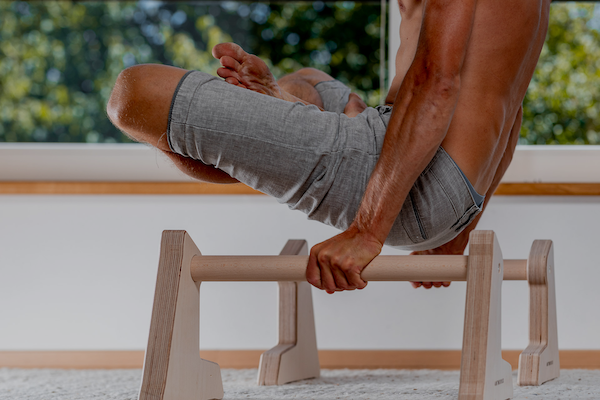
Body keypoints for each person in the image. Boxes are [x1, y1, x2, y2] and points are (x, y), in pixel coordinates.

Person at [107, 0, 551, 293]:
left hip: (416, 181)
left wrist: (367, 232)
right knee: (307, 83)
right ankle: (283, 113)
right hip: (452, 189)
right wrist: (458, 233)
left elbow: (435, 83)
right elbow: (510, 112)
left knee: (135, 94)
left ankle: (272, 143)